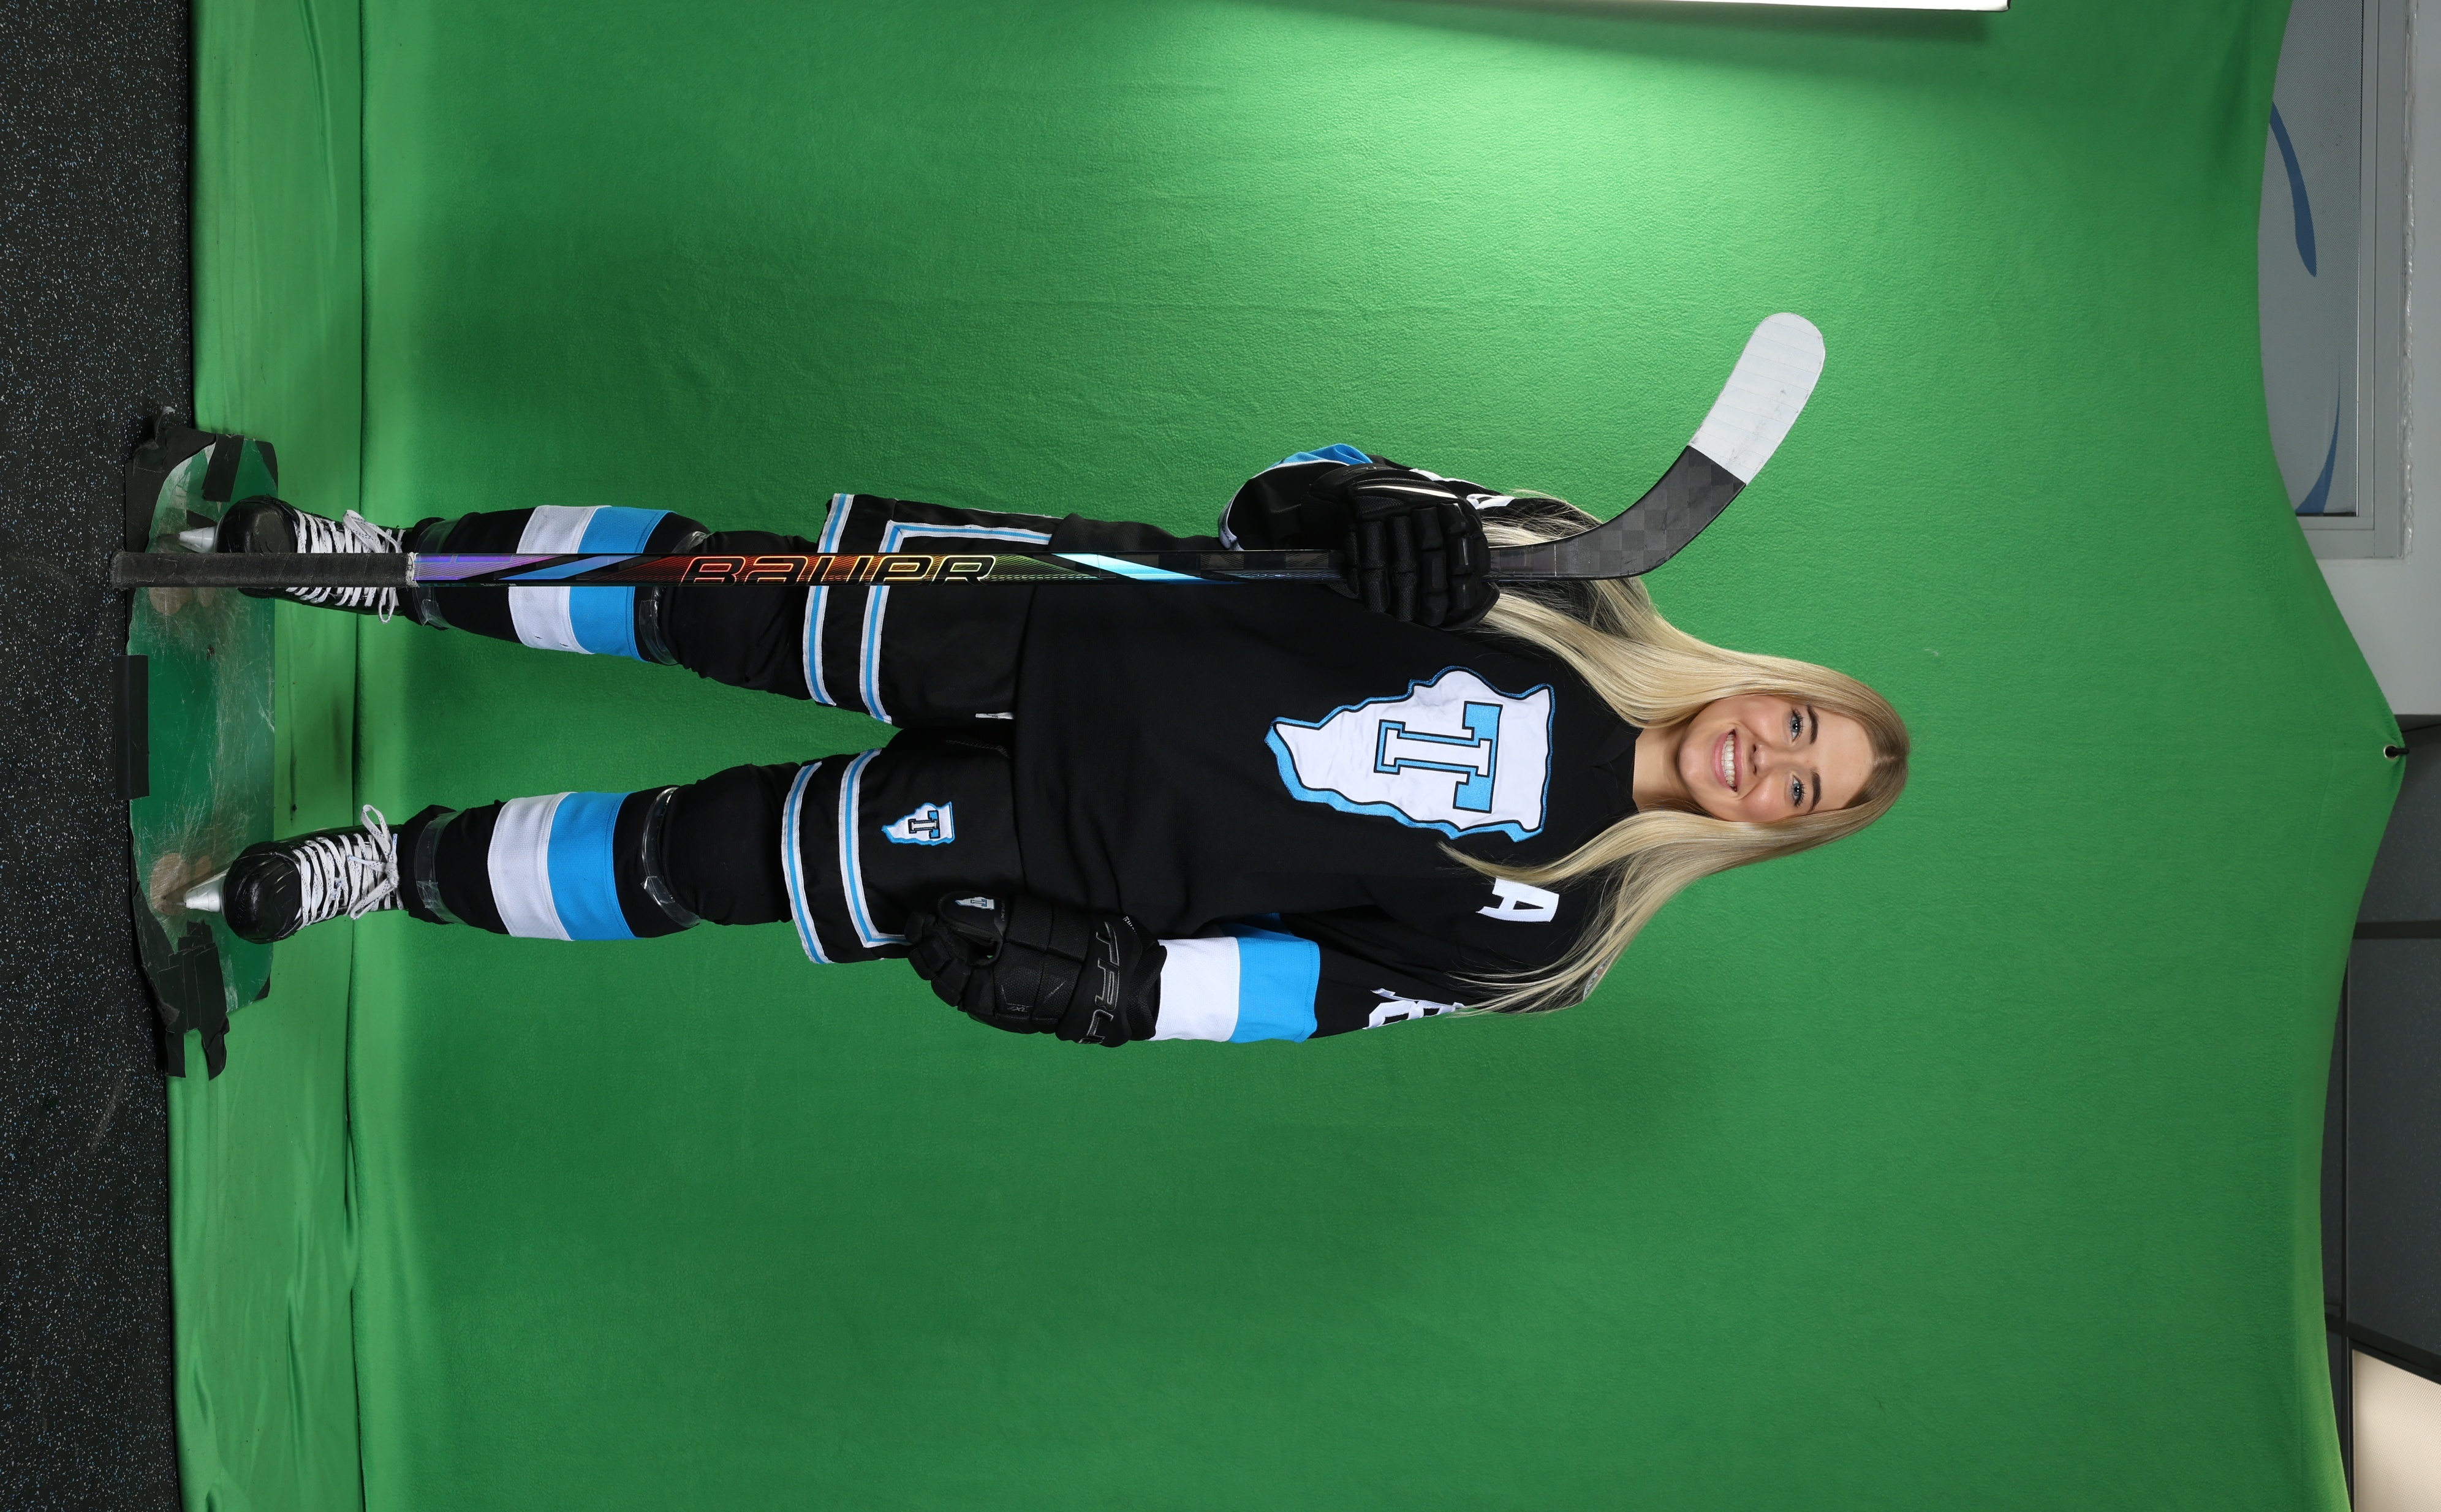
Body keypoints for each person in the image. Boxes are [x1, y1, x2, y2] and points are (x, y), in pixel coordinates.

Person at [186, 446, 1909, 1045]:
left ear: (1777, 831)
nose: (1772, 760)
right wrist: (1376, 512)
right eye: (1801, 725)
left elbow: (1316, 988)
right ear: (1776, 683)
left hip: (1051, 840)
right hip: (1052, 619)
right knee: (692, 591)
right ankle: (385, 566)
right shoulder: (1568, 576)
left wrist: (1116, 994)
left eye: (1803, 792)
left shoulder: (1558, 947)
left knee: (697, 859)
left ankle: (383, 870)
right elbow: (1278, 496)